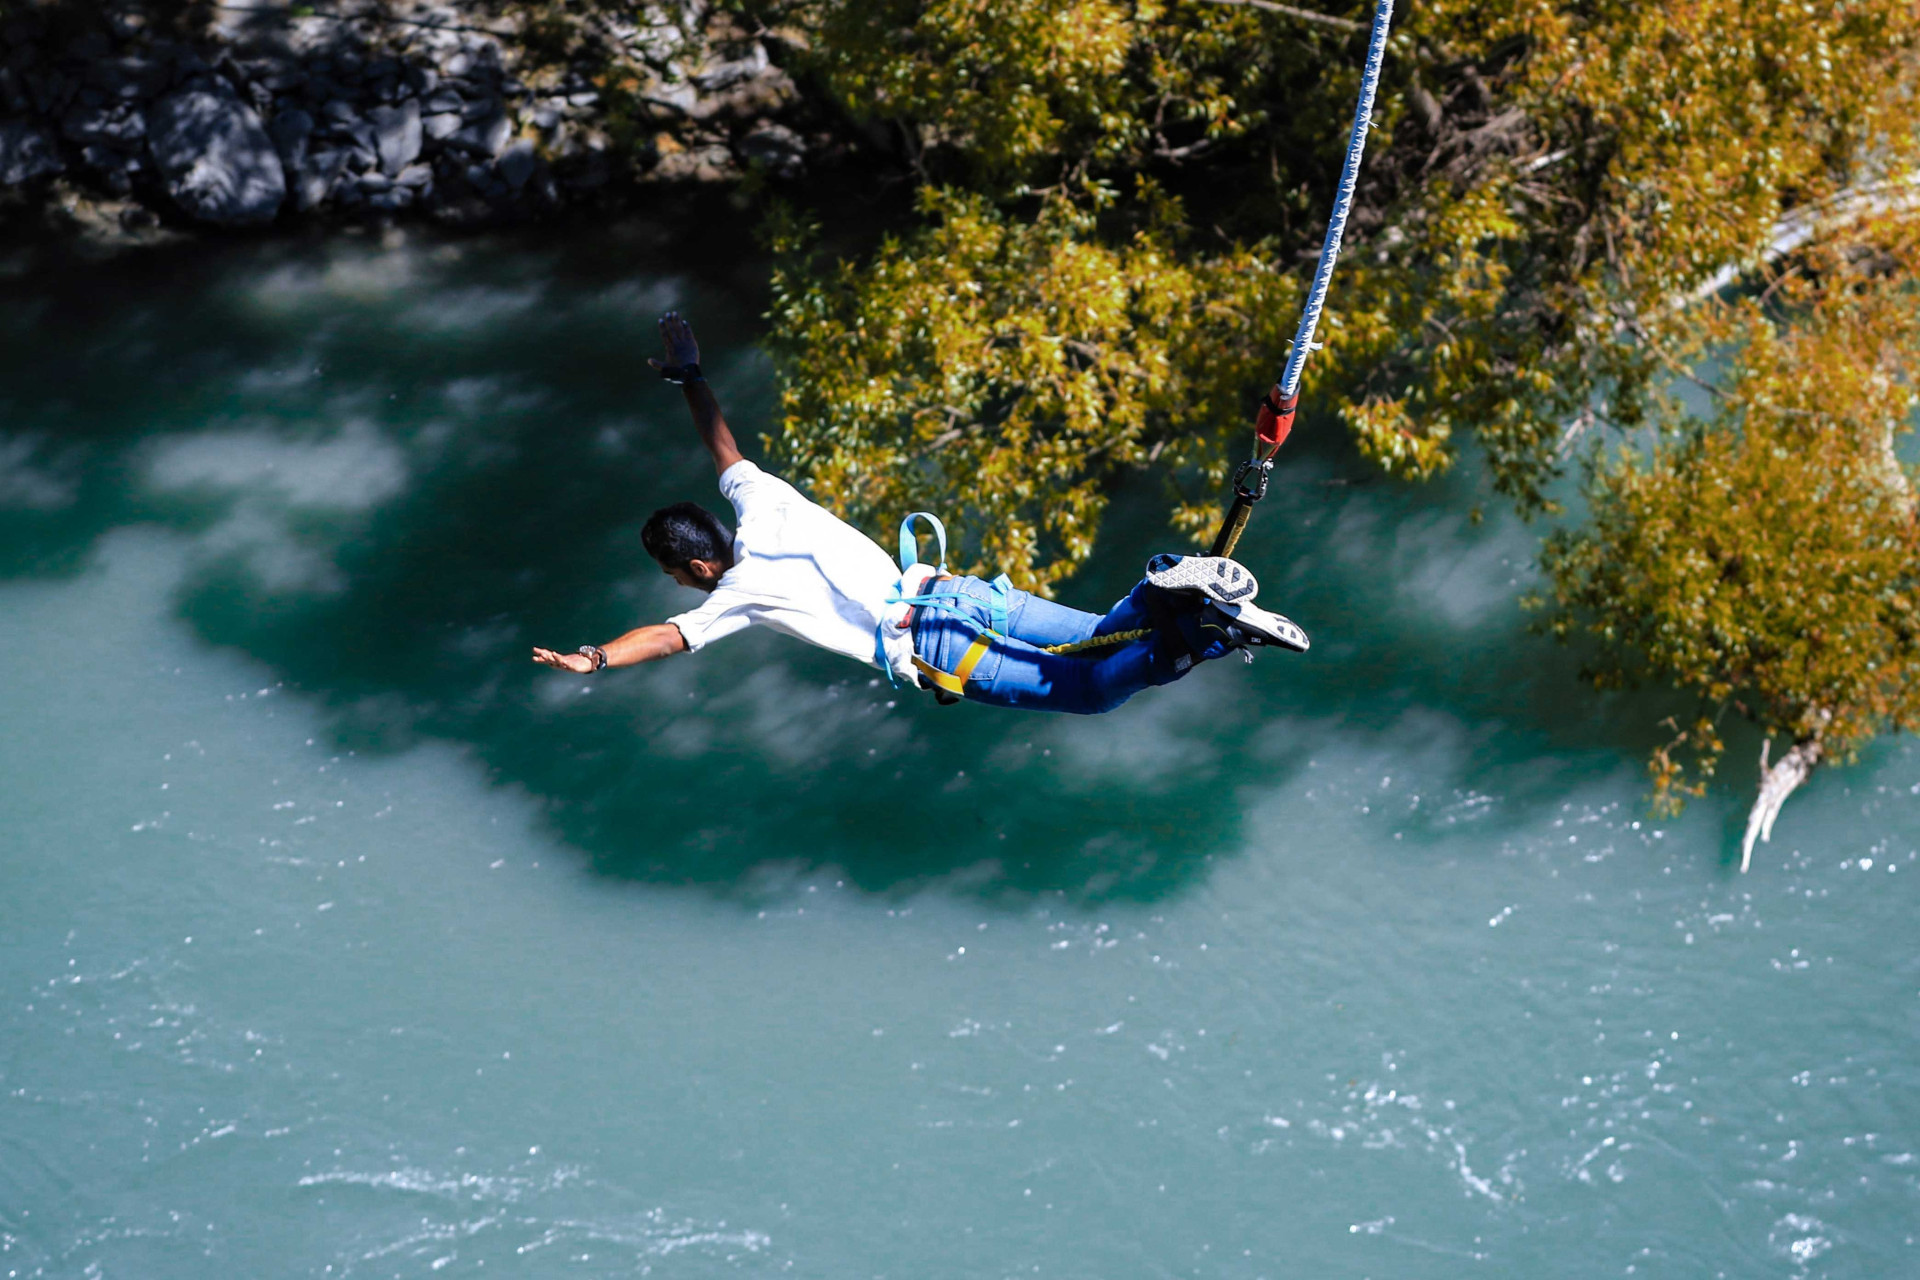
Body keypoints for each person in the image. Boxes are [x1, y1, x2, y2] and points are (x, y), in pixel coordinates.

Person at [531, 312, 1307, 713]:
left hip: (937, 644)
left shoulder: (737, 595)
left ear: (698, 565)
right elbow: (722, 446)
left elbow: (668, 638)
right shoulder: (760, 500)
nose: (678, 587)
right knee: (1101, 635)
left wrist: (594, 657)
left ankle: (1205, 627)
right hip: (950, 591)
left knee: (1092, 690)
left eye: (673, 574)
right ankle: (1173, 583)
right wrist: (690, 374)